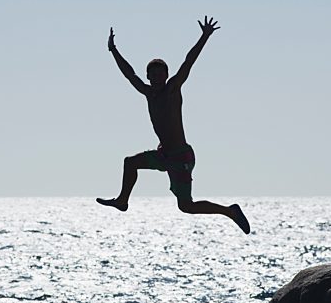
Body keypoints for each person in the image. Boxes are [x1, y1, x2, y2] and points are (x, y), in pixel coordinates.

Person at [97, 16, 250, 234]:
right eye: (153, 74)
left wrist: (204, 37)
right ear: (148, 76)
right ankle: (122, 200)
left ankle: (229, 211)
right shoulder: (148, 93)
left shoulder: (173, 89)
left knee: (186, 206)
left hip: (180, 157)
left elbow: (189, 62)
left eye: (162, 74)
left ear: (167, 75)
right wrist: (113, 50)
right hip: (164, 155)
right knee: (130, 162)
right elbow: (129, 74)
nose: (158, 78)